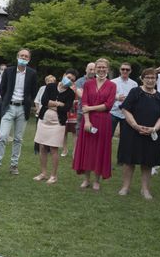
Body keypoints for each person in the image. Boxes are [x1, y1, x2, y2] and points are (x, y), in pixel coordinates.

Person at [117, 68, 160, 199]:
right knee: (129, 161)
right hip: (132, 132)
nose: (150, 80)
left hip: (151, 134)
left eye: (153, 78)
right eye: (148, 77)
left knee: (148, 162)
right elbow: (126, 110)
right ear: (142, 78)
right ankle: (125, 187)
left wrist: (154, 129)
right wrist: (135, 125)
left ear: (156, 80)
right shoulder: (135, 92)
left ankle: (145, 189)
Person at [0, 48, 37, 176]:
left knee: (18, 139)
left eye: (26, 56)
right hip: (9, 107)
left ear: (29, 59)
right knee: (3, 136)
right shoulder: (8, 71)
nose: (23, 58)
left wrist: (28, 101)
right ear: (17, 56)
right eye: (21, 55)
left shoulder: (32, 73)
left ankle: (14, 165)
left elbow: (33, 91)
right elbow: (2, 89)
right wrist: (6, 100)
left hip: (23, 109)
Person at [72, 58, 116, 190]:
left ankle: (97, 180)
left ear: (107, 69)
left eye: (104, 67)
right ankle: (86, 179)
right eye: (99, 67)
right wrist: (87, 121)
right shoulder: (88, 84)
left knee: (99, 150)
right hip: (89, 120)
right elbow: (84, 102)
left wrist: (90, 109)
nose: (101, 69)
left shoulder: (112, 85)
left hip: (103, 122)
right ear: (95, 69)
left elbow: (108, 105)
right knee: (88, 150)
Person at [32, 70, 77, 184]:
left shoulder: (71, 93)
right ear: (63, 75)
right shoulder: (51, 86)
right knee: (42, 147)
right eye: (69, 77)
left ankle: (53, 175)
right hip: (44, 121)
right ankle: (43, 173)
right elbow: (44, 101)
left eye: (72, 80)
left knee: (53, 149)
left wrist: (52, 104)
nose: (70, 81)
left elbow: (66, 108)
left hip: (57, 123)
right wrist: (58, 104)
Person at [110, 62, 138, 137]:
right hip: (113, 112)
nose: (125, 71)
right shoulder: (112, 82)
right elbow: (107, 96)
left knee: (125, 137)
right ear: (120, 70)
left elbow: (136, 98)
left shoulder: (134, 84)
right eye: (123, 69)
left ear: (130, 71)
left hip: (126, 113)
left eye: (127, 69)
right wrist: (117, 97)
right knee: (108, 135)